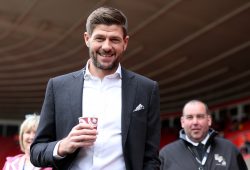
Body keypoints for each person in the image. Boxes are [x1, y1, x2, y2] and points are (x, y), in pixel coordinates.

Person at [30, 6, 161, 170]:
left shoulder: (146, 89)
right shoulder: (58, 87)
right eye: (99, 38)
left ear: (125, 42)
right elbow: (36, 152)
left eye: (114, 39)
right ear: (87, 39)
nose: (106, 46)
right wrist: (63, 146)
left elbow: (151, 159)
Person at [159, 100, 248, 170]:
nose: (195, 122)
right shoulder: (166, 155)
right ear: (182, 122)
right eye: (189, 117)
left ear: (209, 120)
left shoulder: (229, 149)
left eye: (200, 116)